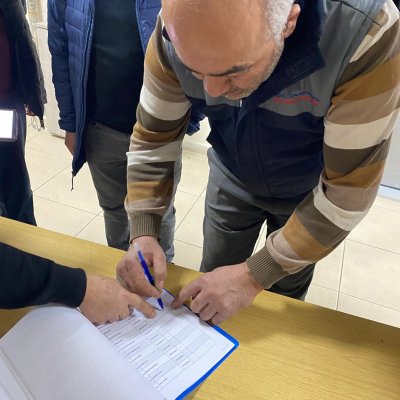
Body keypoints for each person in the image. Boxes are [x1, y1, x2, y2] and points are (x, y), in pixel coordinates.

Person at [117, 0, 400, 324]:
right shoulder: (177, 25)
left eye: (234, 72)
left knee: (284, 292)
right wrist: (143, 229)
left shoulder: (366, 31)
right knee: (215, 279)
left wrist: (255, 275)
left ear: (288, 22)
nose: (212, 91)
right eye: (195, 71)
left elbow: (347, 191)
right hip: (231, 171)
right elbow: (154, 138)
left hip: (308, 190)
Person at [0, 0, 155, 324]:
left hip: (9, 101)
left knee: (16, 193)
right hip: (100, 126)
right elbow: (60, 49)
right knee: (115, 210)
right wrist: (78, 289)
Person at [48, 0, 201, 258]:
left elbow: (192, 52)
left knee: (159, 211)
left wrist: (189, 118)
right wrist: (71, 124)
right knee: (114, 210)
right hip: (100, 129)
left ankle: (162, 268)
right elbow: (61, 55)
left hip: (161, 133)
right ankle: (121, 264)